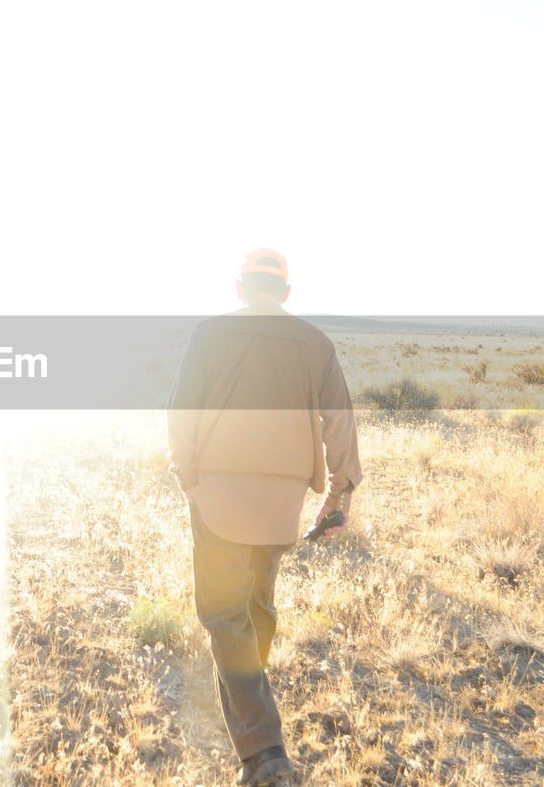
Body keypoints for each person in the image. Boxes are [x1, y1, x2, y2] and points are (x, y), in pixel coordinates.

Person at [168, 248, 361, 786]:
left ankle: (264, 754)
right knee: (256, 607)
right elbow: (339, 420)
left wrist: (188, 475)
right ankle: (251, 700)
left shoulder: (208, 334)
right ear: (285, 293)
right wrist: (340, 495)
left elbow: (182, 409)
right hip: (281, 499)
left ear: (239, 288)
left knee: (226, 615)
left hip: (218, 493)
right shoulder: (315, 342)